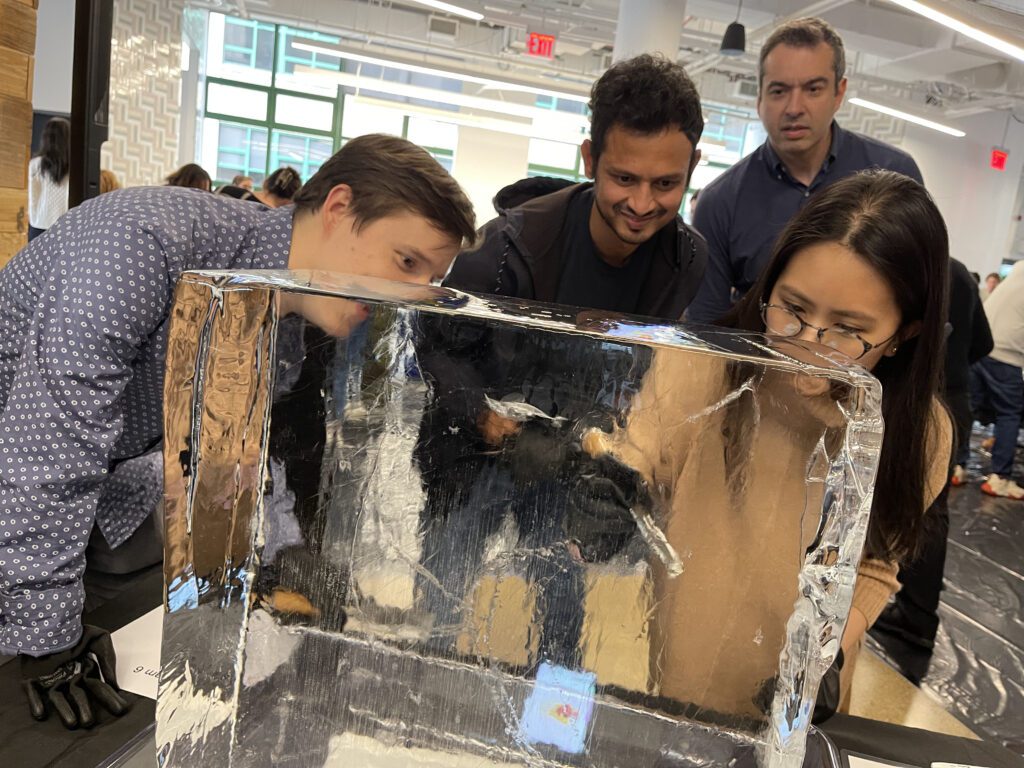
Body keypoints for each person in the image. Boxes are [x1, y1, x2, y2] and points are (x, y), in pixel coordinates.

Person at [0, 133, 476, 728]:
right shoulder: (142, 243)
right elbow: (49, 444)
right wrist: (45, 635)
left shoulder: (280, 310)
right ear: (338, 209)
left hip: (70, 516)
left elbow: (232, 450)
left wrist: (282, 554)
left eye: (430, 278)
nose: (410, 297)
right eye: (406, 263)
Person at [570, 170, 951, 716]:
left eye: (847, 329)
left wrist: (828, 659)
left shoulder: (919, 436)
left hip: (802, 694)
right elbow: (638, 454)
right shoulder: (706, 367)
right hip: (684, 674)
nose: (805, 347)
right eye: (792, 309)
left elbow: (875, 565)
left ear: (905, 333)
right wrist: (606, 488)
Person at [414, 53, 707, 668]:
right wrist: (496, 427)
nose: (643, 203)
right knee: (444, 583)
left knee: (566, 605)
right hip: (474, 453)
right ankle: (419, 694)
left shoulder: (685, 260)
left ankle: (556, 731)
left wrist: (609, 446)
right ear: (590, 160)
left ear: (693, 169)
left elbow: (649, 369)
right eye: (624, 178)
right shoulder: (507, 248)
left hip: (574, 455)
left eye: (666, 184)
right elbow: (436, 341)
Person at [686, 17, 923, 324]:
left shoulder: (895, 177)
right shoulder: (720, 201)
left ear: (839, 93)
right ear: (759, 99)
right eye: (779, 91)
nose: (794, 107)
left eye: (813, 89)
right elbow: (708, 329)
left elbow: (918, 299)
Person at [870, 257, 992, 684]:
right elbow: (983, 344)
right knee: (926, 511)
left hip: (925, 399)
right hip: (950, 392)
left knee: (918, 510)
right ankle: (917, 615)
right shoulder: (959, 272)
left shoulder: (916, 271)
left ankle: (917, 617)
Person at [970, 261, 1024, 499]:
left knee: (970, 408)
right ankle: (1000, 478)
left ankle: (957, 466)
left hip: (982, 348)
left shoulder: (1019, 269)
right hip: (1007, 355)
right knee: (1009, 413)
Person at [27, 117, 71, 241]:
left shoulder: (35, 164)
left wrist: (32, 218)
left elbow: (32, 197)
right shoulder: (74, 166)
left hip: (38, 225)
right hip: (65, 226)